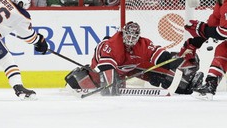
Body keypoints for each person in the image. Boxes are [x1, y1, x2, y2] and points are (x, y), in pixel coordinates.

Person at [65, 21, 203, 96]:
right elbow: (106, 67)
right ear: (123, 33)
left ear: (138, 36)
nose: (130, 40)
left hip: (129, 67)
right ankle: (77, 77)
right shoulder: (112, 45)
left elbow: (161, 57)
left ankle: (185, 86)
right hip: (107, 67)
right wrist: (110, 87)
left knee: (160, 75)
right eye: (128, 36)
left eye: (134, 37)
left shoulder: (143, 44)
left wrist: (176, 60)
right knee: (101, 86)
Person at [181, 0, 227, 100]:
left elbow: (223, 32)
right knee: (222, 50)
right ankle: (210, 86)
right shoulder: (221, 5)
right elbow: (211, 26)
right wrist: (195, 42)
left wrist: (202, 29)